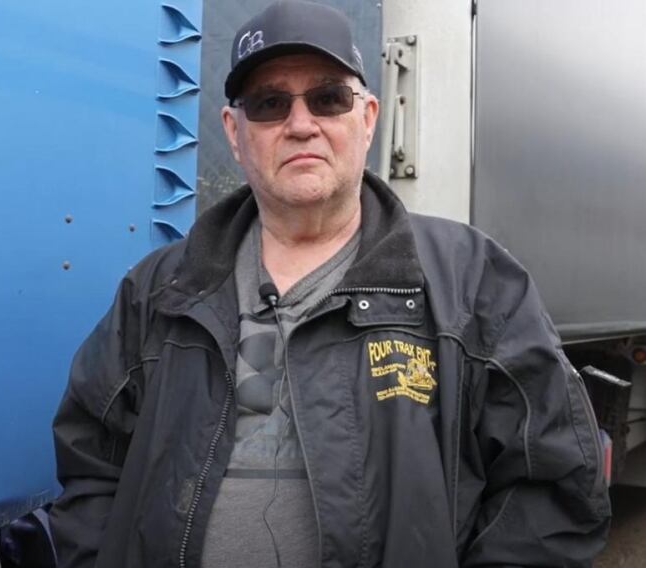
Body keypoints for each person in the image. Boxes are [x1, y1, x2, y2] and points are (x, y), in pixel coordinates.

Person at [49, 1, 610, 566]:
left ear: (367, 118)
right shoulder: (159, 290)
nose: (300, 124)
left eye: (328, 98)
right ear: (234, 133)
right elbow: (90, 460)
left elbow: (553, 481)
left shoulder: (472, 281)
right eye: (269, 104)